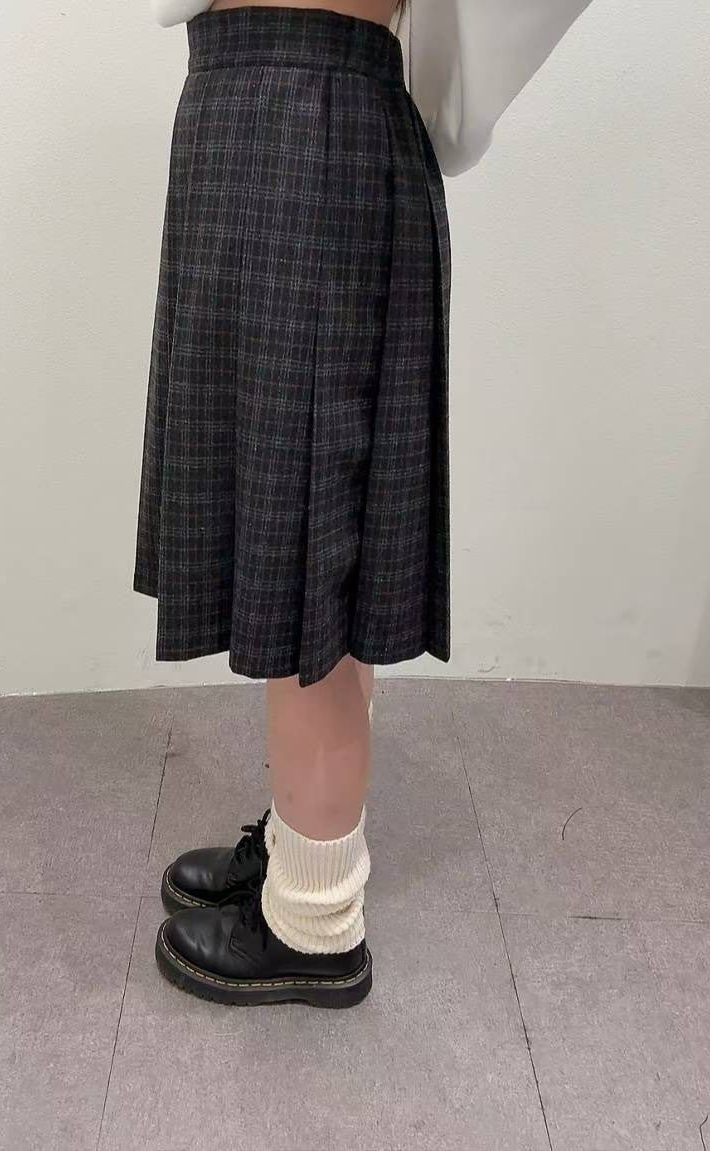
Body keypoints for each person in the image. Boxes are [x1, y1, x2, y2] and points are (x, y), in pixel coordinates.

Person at [134, 0, 591, 1007]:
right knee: (309, 531)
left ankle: (315, 918)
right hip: (275, 108)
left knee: (316, 548)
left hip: (309, 118)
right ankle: (306, 836)